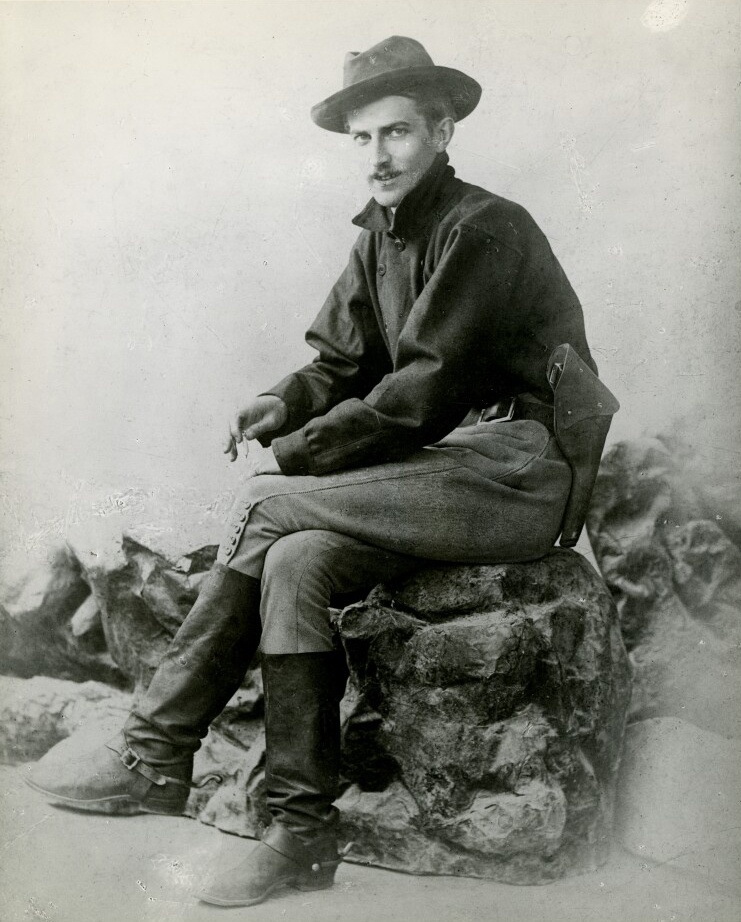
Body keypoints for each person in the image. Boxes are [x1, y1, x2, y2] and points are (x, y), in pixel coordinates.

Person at [25, 35, 617, 908]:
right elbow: (340, 362)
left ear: (442, 131)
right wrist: (279, 404)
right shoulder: (380, 236)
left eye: (396, 132)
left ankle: (154, 750)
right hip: (450, 468)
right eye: (360, 138)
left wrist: (293, 459)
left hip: (522, 468)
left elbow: (420, 392)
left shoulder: (484, 228)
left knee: (269, 506)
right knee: (297, 560)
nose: (376, 156)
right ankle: (301, 832)